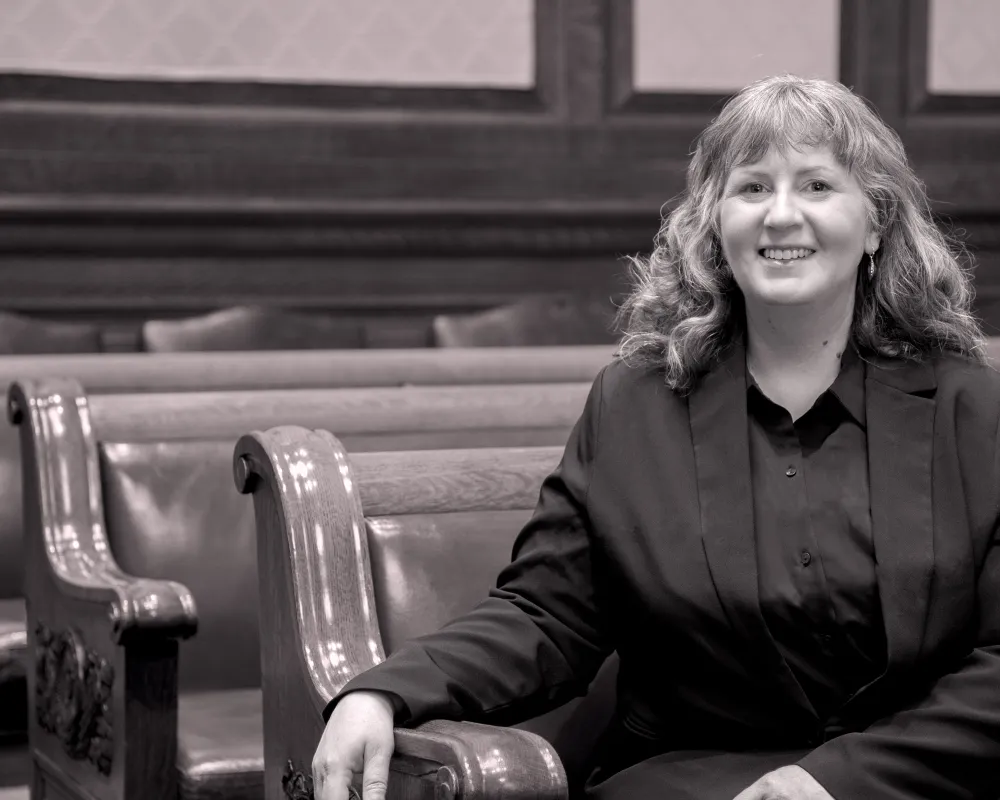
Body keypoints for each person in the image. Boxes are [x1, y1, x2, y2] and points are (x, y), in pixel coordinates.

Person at [312, 74, 1000, 800]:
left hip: (915, 780)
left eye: (818, 186)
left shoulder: (970, 409)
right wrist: (384, 693)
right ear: (715, 226)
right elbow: (549, 615)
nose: (781, 215)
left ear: (877, 223)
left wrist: (830, 783)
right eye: (752, 188)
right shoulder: (635, 403)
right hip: (688, 778)